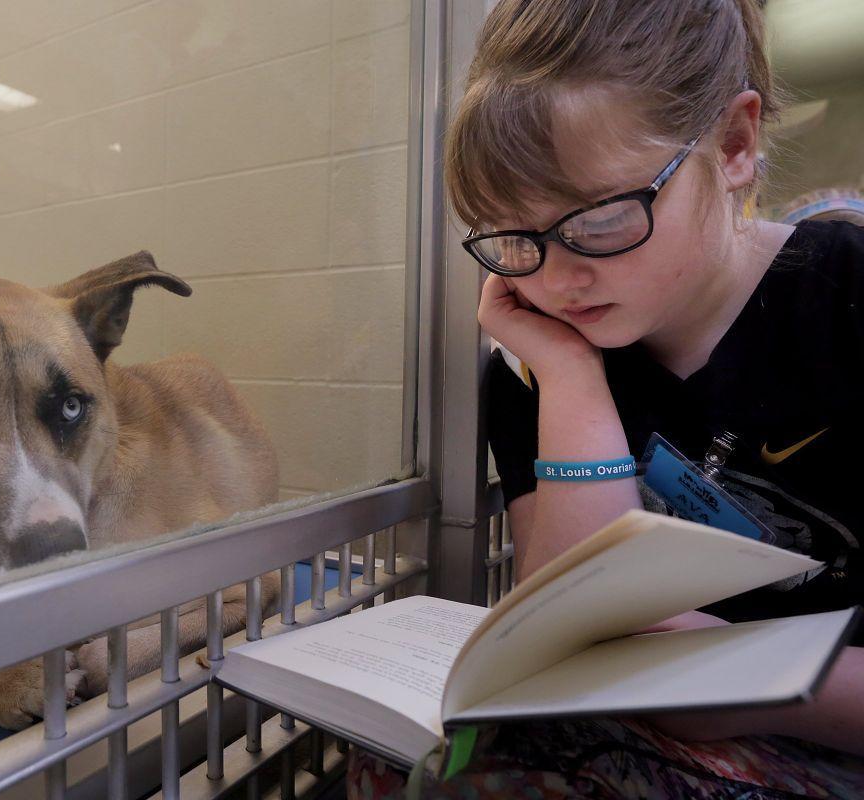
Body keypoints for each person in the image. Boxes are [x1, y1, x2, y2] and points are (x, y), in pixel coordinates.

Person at [349, 0, 864, 796]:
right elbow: (563, 637)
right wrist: (571, 378)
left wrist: (735, 680)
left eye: (600, 220)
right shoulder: (533, 367)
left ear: (733, 144)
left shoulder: (847, 296)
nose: (555, 280)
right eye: (513, 237)